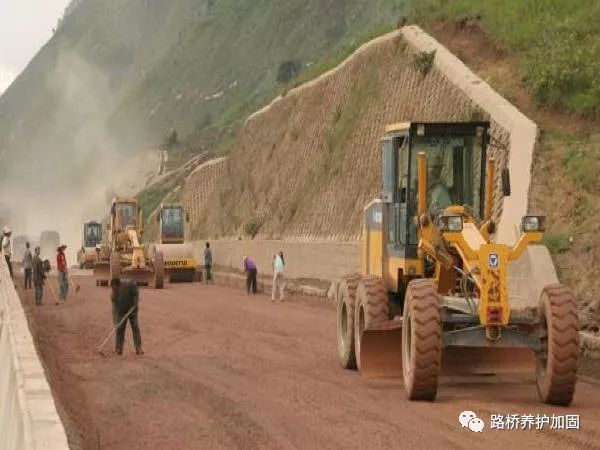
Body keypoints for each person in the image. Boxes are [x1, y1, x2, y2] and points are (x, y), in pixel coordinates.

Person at [110, 278, 143, 355]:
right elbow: (115, 310)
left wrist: (135, 302)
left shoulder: (130, 284)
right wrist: (116, 322)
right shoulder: (113, 296)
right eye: (112, 289)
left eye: (115, 289)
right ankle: (118, 349)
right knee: (119, 329)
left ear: (119, 285)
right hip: (121, 312)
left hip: (132, 309)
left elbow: (136, 291)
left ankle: (138, 348)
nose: (114, 291)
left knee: (135, 327)